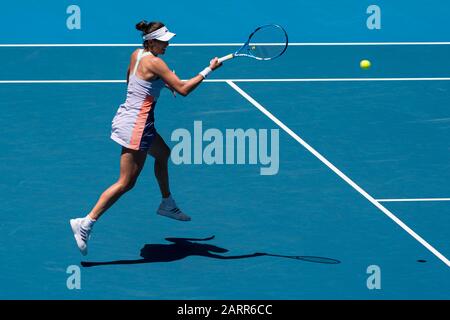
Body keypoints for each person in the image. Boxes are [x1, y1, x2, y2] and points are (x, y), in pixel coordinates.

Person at [70, 21, 222, 256]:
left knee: (163, 153)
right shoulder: (156, 62)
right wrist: (209, 69)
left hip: (133, 119)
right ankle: (86, 223)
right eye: (163, 41)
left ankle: (167, 203)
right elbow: (183, 89)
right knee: (126, 182)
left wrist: (160, 83)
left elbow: (132, 79)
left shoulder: (137, 54)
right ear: (150, 41)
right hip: (136, 127)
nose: (167, 44)